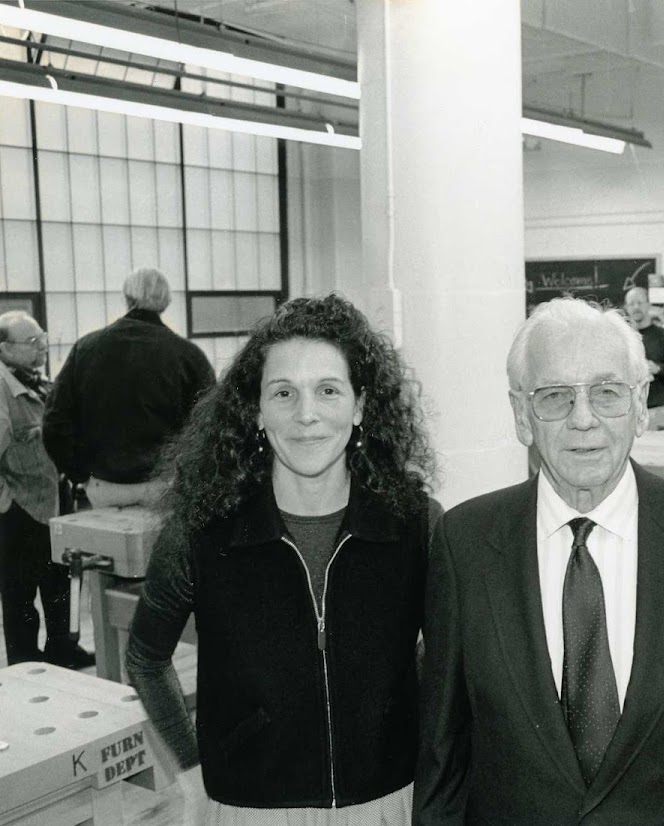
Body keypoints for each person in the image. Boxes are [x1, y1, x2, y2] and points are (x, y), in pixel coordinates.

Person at [416, 297, 664, 824]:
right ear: (521, 415)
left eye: (607, 393)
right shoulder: (464, 543)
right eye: (556, 396)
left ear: (641, 406)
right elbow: (443, 758)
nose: (582, 419)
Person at [125, 294, 437, 824]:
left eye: (329, 390)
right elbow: (147, 659)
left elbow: (443, 657)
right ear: (256, 410)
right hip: (247, 805)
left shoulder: (416, 523)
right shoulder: (201, 531)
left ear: (360, 406)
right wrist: (192, 772)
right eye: (284, 392)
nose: (307, 414)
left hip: (389, 801)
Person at [44, 267, 215, 508]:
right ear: (165, 303)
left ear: (127, 298)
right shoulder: (188, 355)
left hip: (102, 485)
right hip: (167, 484)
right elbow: (212, 425)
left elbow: (54, 423)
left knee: (102, 546)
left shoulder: (86, 349)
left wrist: (79, 474)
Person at [0, 312, 94, 668]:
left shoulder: (35, 380)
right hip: (21, 506)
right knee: (21, 593)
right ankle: (26, 662)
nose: (42, 347)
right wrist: (6, 503)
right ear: (5, 348)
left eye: (43, 338)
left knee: (62, 579)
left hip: (56, 497)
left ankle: (62, 649)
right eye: (32, 342)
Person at [623, 286, 664, 408]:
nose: (636, 307)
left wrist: (658, 368)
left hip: (660, 407)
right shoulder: (621, 339)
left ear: (648, 305)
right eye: (631, 304)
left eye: (640, 303)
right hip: (629, 409)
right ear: (626, 308)